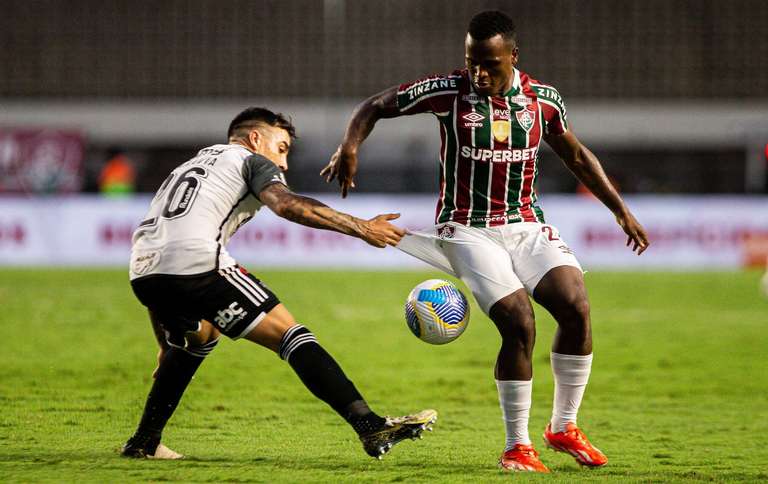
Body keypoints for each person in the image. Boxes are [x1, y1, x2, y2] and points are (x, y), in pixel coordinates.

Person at [321, 11, 649, 473]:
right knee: (519, 321)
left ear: (513, 57)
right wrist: (350, 145)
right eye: (472, 61)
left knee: (575, 305)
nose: (479, 73)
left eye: (490, 64)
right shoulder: (449, 91)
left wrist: (620, 210)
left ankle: (564, 427)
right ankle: (517, 447)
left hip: (526, 224)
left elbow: (575, 153)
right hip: (466, 228)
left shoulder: (543, 101)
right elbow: (375, 104)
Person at [121, 107, 437, 460]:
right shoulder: (251, 161)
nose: (283, 163)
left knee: (202, 336)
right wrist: (362, 227)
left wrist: (164, 341)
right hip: (195, 263)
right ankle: (369, 425)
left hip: (143, 270)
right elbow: (286, 206)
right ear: (256, 139)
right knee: (291, 335)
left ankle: (144, 441)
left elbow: (161, 248)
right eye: (282, 148)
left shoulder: (191, 165)